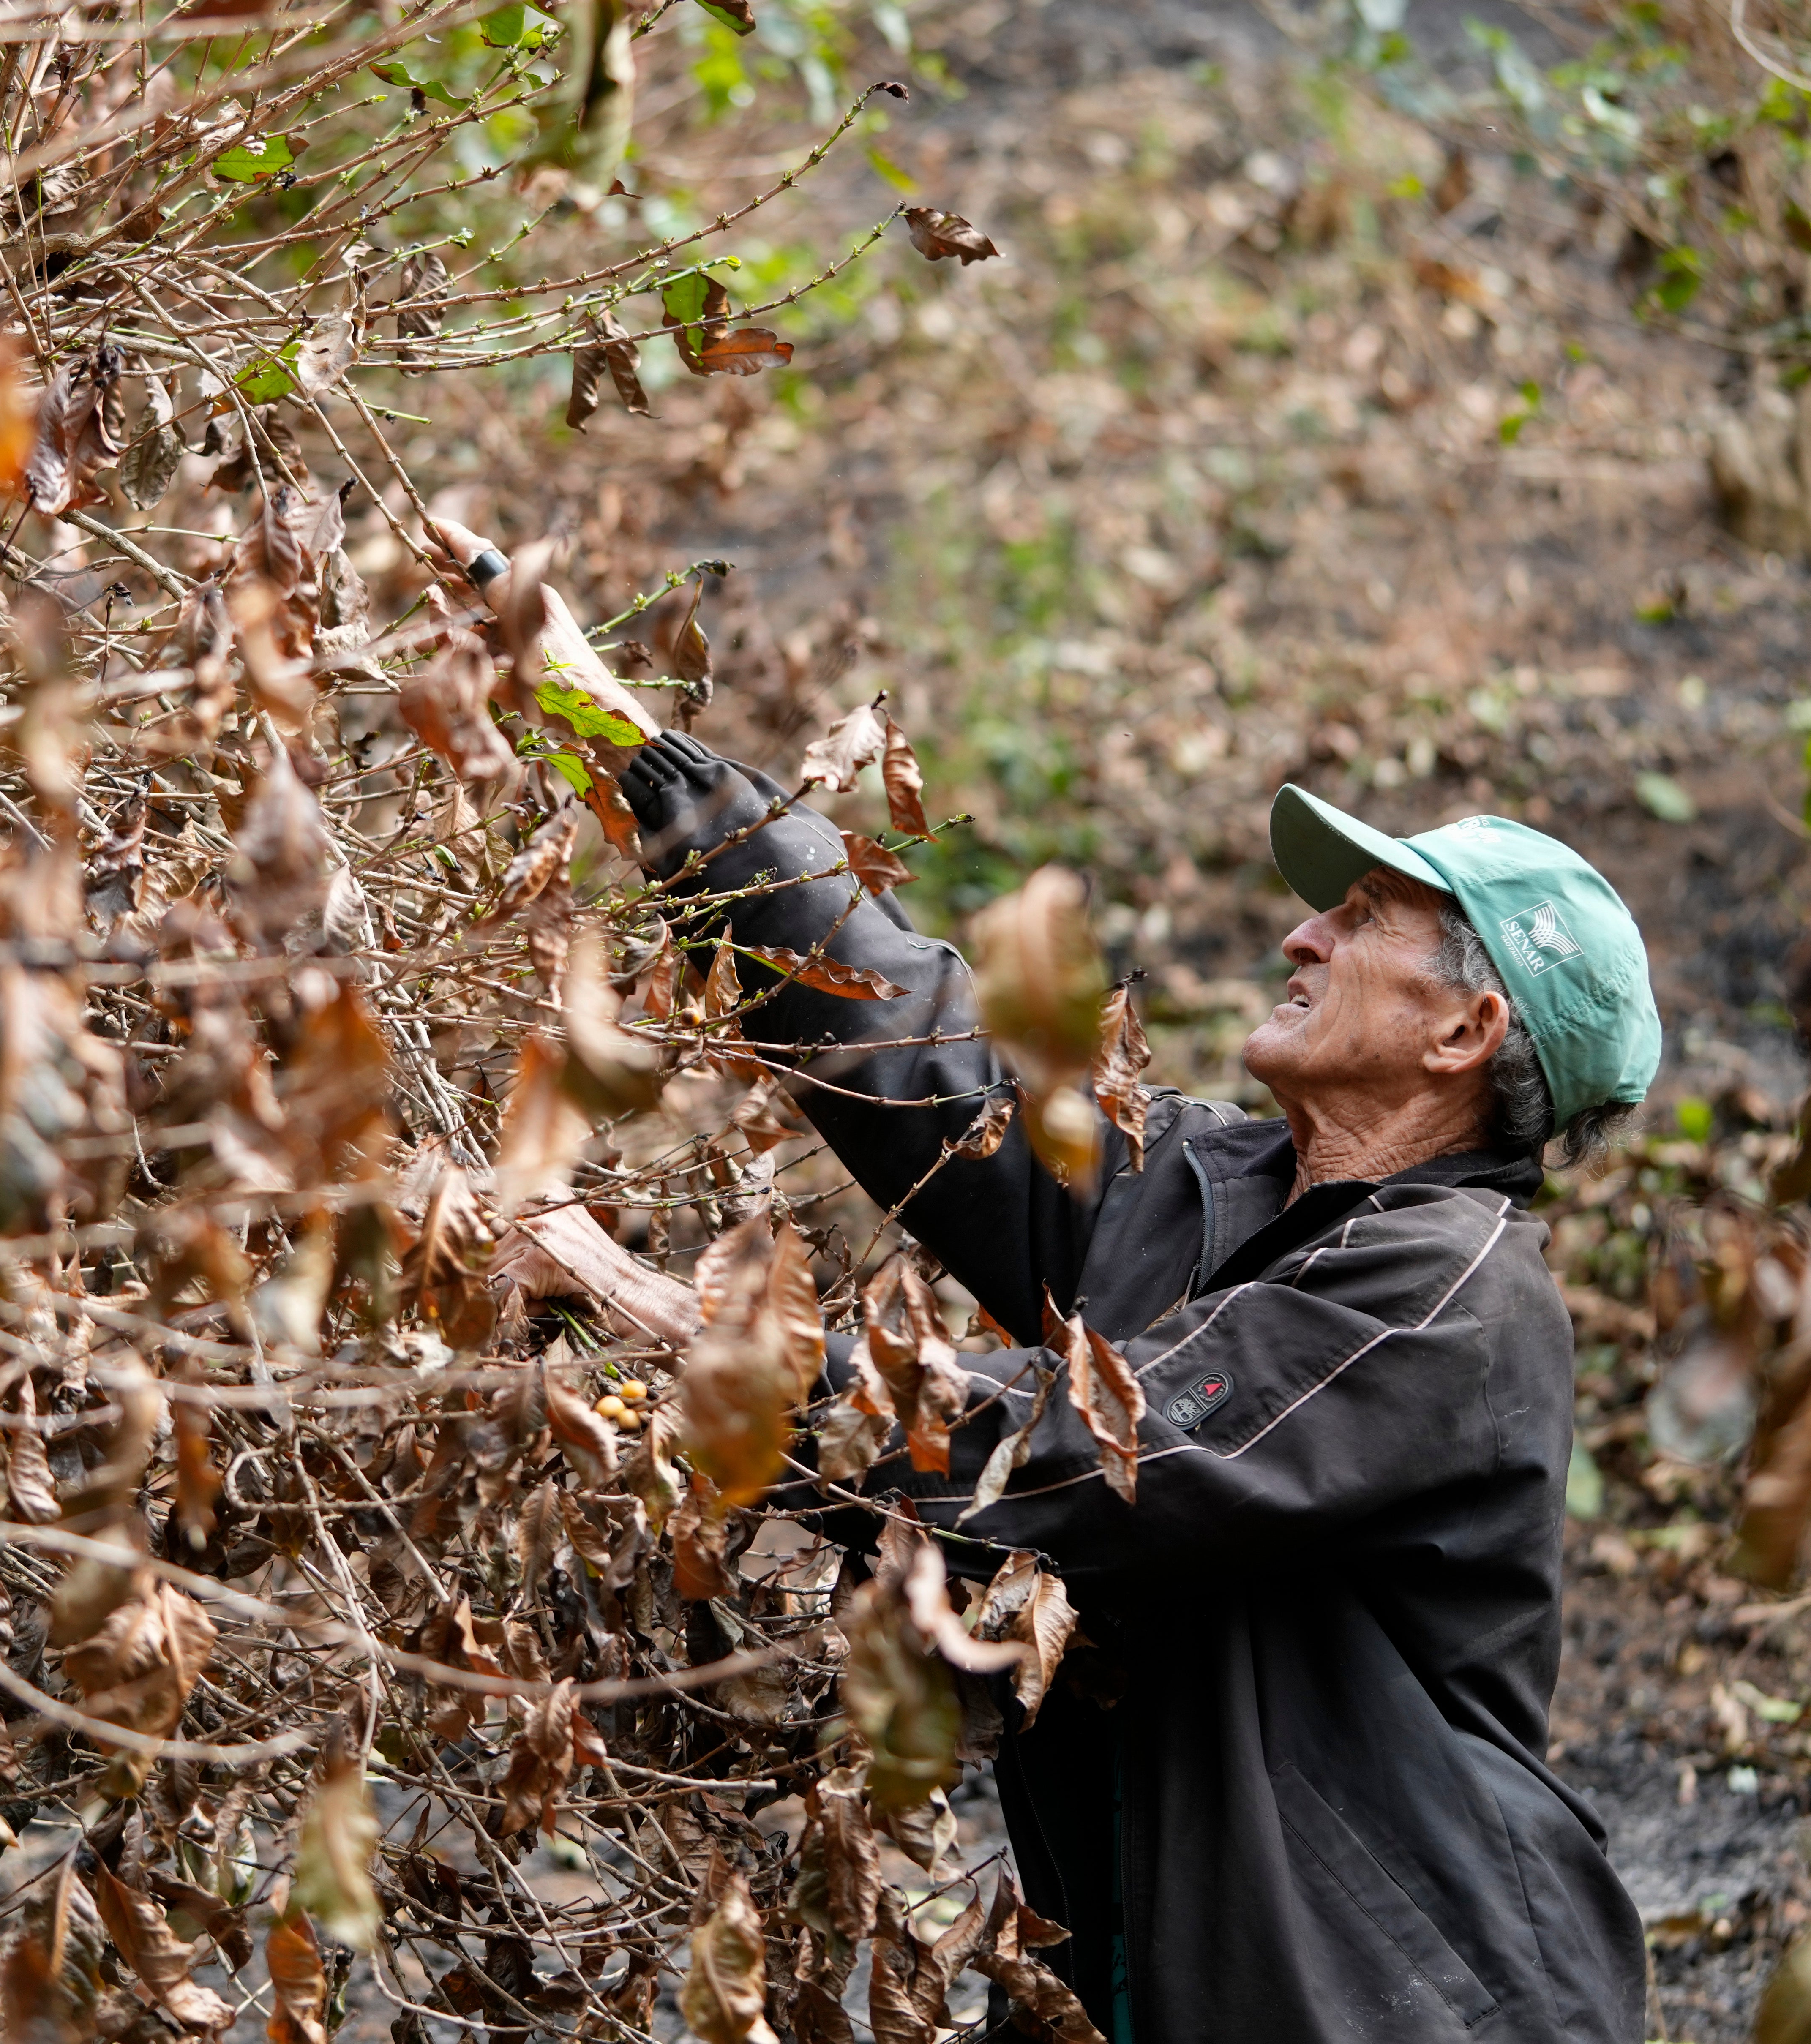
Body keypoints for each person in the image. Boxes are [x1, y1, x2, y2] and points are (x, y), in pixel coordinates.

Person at [615, 732, 1661, 2044]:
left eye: (1360, 920)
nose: (1299, 937)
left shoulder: (1452, 1296)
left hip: (1396, 2007)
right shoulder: (1218, 1188)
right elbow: (938, 1070)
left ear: (1464, 1030)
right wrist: (681, 793)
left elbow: (1072, 1462)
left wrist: (685, 1338)